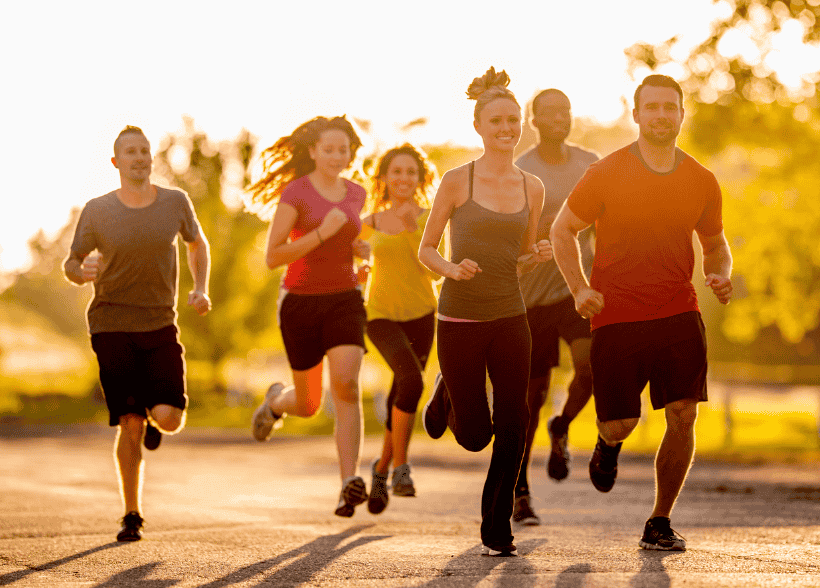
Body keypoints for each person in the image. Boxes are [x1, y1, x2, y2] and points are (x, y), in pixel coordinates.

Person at [550, 74, 733, 551]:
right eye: (650, 107)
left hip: (678, 312)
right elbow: (562, 230)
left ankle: (659, 520)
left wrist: (720, 273)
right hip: (616, 315)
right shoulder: (606, 172)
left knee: (683, 415)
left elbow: (715, 244)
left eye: (669, 107)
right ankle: (607, 445)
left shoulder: (701, 179)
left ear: (681, 114)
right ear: (635, 114)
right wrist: (579, 288)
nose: (660, 115)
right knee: (621, 423)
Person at [418, 67, 552, 557]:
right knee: (475, 437)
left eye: (513, 121)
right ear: (479, 125)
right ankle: (449, 390)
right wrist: (451, 270)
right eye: (496, 120)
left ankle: (497, 527)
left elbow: (515, 252)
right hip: (458, 319)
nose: (506, 129)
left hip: (511, 317)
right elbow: (426, 250)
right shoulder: (458, 180)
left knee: (514, 421)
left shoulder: (532, 187)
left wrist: (534, 254)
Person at [64, 125, 212, 542]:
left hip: (160, 323)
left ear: (152, 157)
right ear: (116, 162)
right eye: (130, 152)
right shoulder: (97, 210)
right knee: (128, 422)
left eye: (145, 151)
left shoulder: (174, 202)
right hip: (111, 324)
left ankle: (152, 415)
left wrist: (200, 288)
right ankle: (132, 514)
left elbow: (197, 244)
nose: (140, 157)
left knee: (169, 418)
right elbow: (71, 262)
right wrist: (80, 273)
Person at [247, 115, 373, 518]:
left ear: (352, 152)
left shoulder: (357, 193)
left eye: (344, 149)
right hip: (300, 301)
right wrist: (321, 233)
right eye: (330, 149)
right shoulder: (296, 192)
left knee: (347, 386)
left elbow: (349, 242)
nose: (338, 156)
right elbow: (273, 256)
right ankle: (276, 404)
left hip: (345, 298)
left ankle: (347, 484)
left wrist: (361, 253)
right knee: (309, 403)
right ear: (313, 151)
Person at [511, 89, 599, 525]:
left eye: (564, 109)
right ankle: (520, 490)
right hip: (531, 299)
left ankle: (562, 426)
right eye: (549, 111)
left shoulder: (589, 163)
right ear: (534, 119)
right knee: (532, 397)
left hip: (575, 290)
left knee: (589, 368)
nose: (559, 117)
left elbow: (610, 219)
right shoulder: (521, 169)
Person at [359, 144, 442, 514]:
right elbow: (352, 260)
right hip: (379, 315)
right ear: (384, 178)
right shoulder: (370, 221)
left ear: (420, 178)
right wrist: (355, 270)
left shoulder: (430, 218)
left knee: (403, 387)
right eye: (396, 171)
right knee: (411, 380)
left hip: (422, 313)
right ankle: (401, 469)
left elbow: (437, 270)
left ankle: (380, 470)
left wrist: (412, 232)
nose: (403, 178)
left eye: (411, 172)